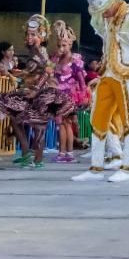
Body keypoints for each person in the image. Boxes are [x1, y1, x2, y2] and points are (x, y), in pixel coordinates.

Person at [72, 0, 129, 183]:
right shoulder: (109, 19)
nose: (102, 15)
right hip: (108, 74)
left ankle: (127, 168)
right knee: (98, 120)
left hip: (126, 76)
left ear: (111, 5)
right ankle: (96, 168)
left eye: (104, 10)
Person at [0, 59, 77, 168]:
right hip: (32, 102)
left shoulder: (46, 74)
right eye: (29, 61)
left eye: (34, 61)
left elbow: (45, 83)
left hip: (43, 103)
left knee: (39, 129)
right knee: (15, 120)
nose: (30, 63)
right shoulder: (28, 74)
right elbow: (21, 78)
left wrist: (36, 90)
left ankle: (37, 159)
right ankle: (27, 153)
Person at [49, 21, 88, 163]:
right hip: (57, 96)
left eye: (64, 45)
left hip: (69, 97)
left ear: (70, 44)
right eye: (59, 45)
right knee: (62, 124)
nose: (61, 48)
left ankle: (68, 153)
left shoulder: (75, 60)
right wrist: (56, 57)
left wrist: (84, 96)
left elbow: (82, 81)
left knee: (66, 123)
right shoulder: (55, 59)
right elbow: (48, 71)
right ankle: (64, 153)